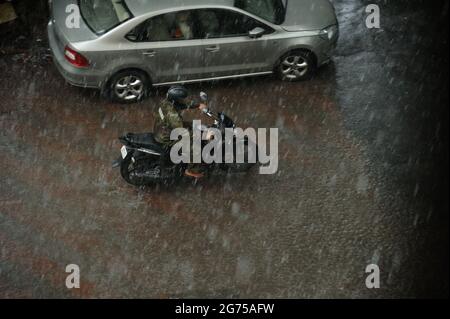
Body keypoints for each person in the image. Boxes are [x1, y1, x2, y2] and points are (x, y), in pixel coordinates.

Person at [153, 86, 207, 178]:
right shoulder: (172, 115)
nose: (183, 100)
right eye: (181, 99)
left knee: (194, 125)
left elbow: (182, 105)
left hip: (162, 128)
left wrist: (198, 105)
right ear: (175, 100)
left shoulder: (166, 102)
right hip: (166, 135)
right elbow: (180, 130)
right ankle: (192, 169)